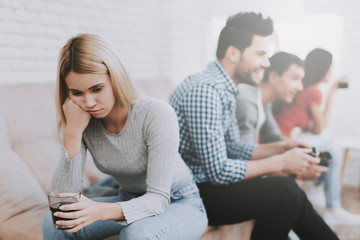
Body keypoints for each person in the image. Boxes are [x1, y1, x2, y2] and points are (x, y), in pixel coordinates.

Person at [169, 12, 339, 240]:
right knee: (285, 192)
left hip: (205, 185)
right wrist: (282, 162)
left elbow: (232, 146)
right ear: (233, 53)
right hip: (190, 192)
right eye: (260, 54)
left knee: (287, 195)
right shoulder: (205, 91)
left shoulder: (224, 87)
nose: (266, 63)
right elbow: (218, 171)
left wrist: (282, 148)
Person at [42, 33, 208, 240]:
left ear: (115, 77)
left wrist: (99, 211)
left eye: (97, 89)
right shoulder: (77, 119)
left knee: (136, 235)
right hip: (128, 196)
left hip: (178, 200)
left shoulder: (156, 114)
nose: (89, 102)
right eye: (77, 93)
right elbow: (63, 203)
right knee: (54, 224)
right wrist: (73, 133)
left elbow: (158, 199)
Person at [273, 48, 360, 225]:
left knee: (332, 147)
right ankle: (330, 205)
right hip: (280, 142)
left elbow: (312, 128)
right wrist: (331, 92)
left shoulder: (306, 89)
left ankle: (321, 193)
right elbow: (320, 129)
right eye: (330, 68)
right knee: (330, 140)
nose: (332, 72)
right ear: (323, 68)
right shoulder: (314, 91)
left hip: (283, 138)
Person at [236, 52, 304, 144]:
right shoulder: (247, 103)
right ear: (273, 77)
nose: (300, 88)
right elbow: (243, 154)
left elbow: (273, 136)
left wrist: (301, 147)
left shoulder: (264, 102)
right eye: (294, 78)